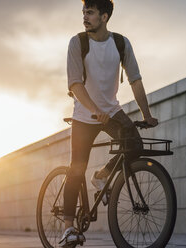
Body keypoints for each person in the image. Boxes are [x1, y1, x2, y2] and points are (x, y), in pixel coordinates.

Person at [59, 0, 158, 246]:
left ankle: (102, 176)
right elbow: (74, 84)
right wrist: (94, 111)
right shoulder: (77, 43)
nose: (84, 16)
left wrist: (146, 114)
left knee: (134, 144)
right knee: (76, 168)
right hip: (84, 114)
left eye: (89, 12)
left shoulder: (121, 44)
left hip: (112, 110)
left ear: (104, 16)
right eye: (83, 12)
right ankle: (68, 228)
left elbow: (135, 80)